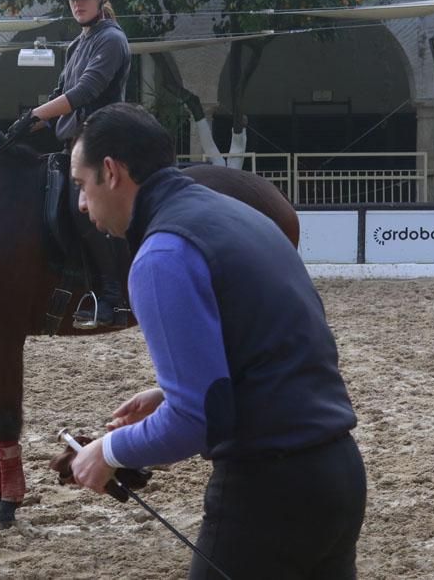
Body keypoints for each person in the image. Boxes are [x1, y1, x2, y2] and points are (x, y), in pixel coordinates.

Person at [68, 103, 367, 579]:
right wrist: (170, 391)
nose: (82, 204)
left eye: (81, 186)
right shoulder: (239, 216)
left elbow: (193, 422)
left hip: (266, 492)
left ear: (111, 171)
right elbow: (275, 345)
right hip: (339, 474)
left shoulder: (161, 255)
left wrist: (107, 451)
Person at [7, 0, 132, 329]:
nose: (77, 4)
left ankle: (111, 297)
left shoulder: (112, 39)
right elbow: (60, 93)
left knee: (83, 210)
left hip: (102, 145)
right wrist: (24, 127)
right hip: (75, 146)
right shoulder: (77, 44)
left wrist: (37, 114)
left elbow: (84, 91)